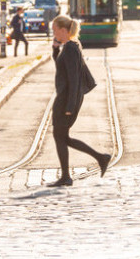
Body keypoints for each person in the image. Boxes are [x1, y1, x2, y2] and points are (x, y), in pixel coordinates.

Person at [48, 15, 111, 187]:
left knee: (60, 136)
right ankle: (99, 158)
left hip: (67, 99)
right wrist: (55, 50)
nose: (53, 33)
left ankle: (67, 176)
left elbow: (74, 79)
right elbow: (63, 68)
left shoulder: (70, 48)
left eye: (55, 30)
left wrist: (70, 106)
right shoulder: (69, 47)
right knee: (62, 137)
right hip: (66, 97)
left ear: (63, 30)